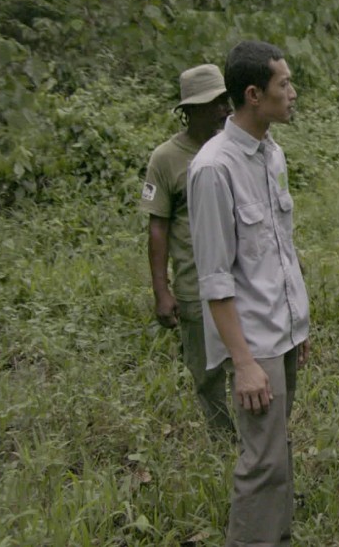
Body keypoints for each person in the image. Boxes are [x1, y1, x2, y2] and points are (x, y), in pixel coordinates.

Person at [188, 40, 310, 547]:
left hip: (281, 333)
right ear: (254, 94)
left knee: (277, 450)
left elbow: (279, 249)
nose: (293, 93)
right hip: (253, 344)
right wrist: (243, 362)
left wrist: (298, 325)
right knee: (260, 460)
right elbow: (215, 277)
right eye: (284, 84)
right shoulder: (214, 169)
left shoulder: (271, 153)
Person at [139, 63, 234, 435]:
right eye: (212, 104)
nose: (222, 110)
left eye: (225, 101)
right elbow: (158, 226)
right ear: (189, 111)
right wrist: (162, 290)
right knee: (206, 371)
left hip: (238, 277)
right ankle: (222, 438)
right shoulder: (166, 159)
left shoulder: (235, 147)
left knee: (248, 363)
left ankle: (253, 443)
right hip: (195, 286)